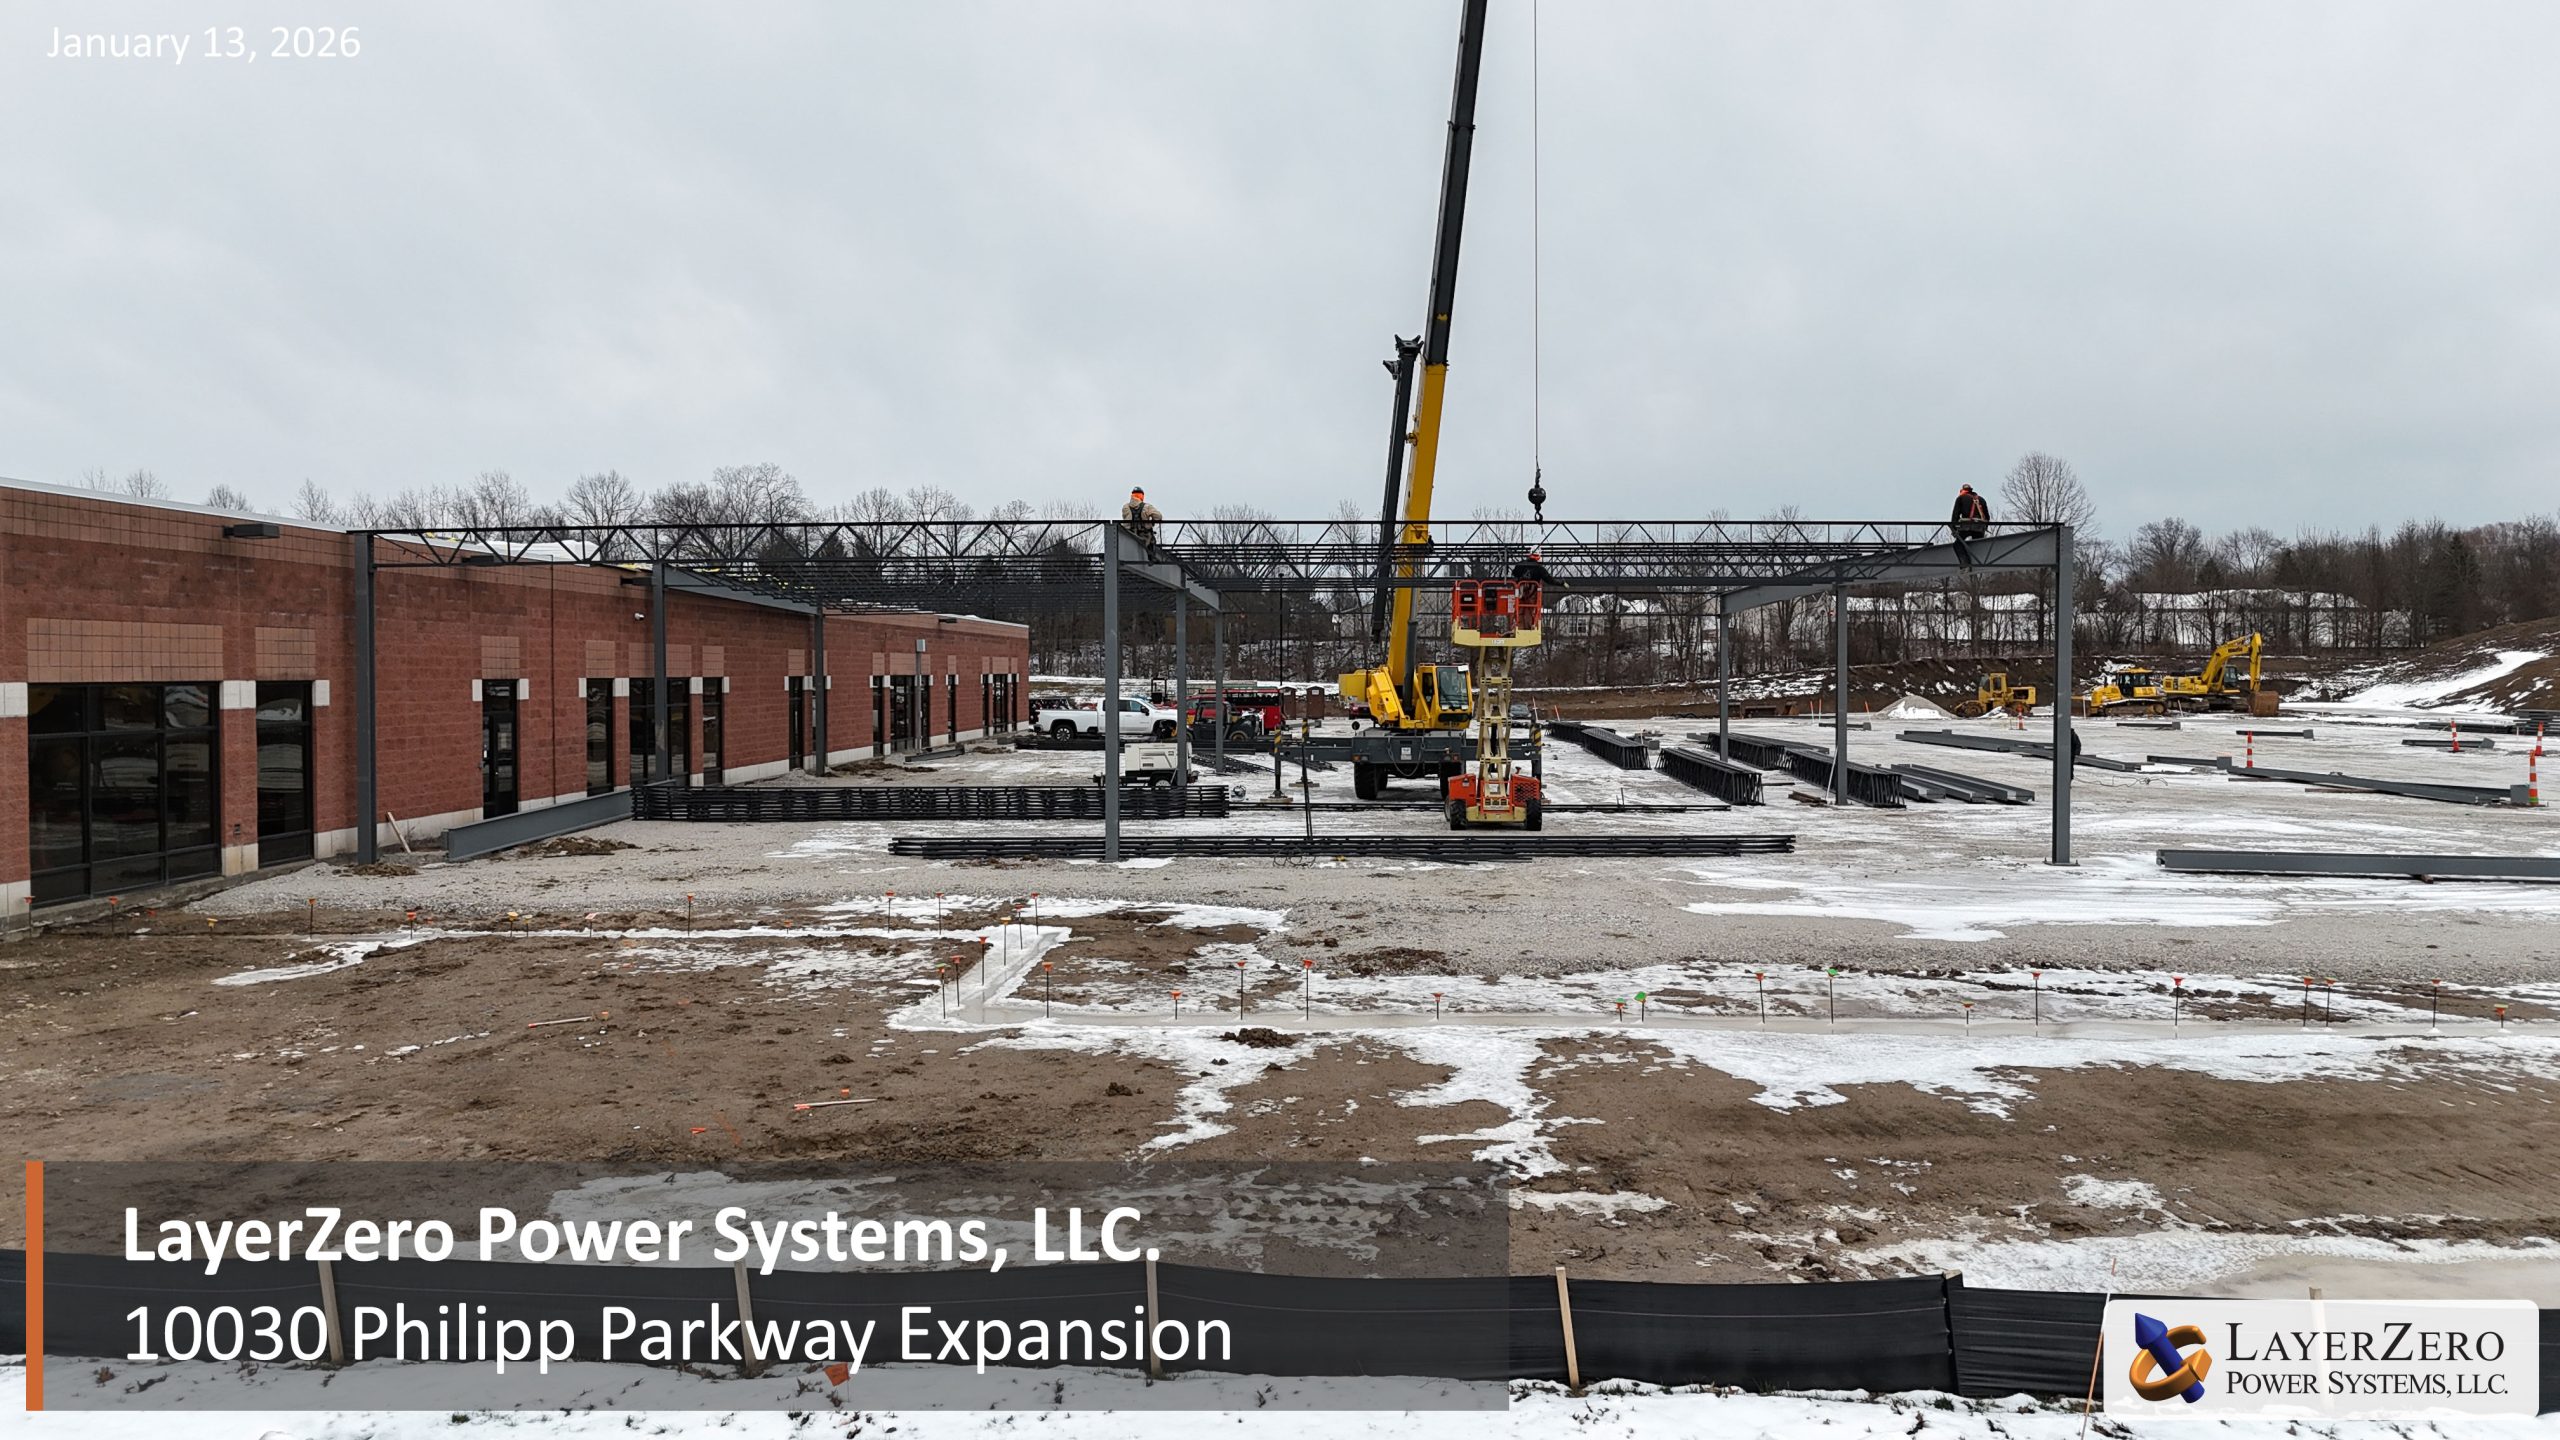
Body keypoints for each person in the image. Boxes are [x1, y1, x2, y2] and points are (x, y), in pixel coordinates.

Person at [1949, 483, 1990, 566]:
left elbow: (1955, 516)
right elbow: (1987, 517)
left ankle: (1965, 564)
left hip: (1966, 527)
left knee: (1958, 545)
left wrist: (1954, 530)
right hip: (1979, 528)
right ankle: (1979, 563)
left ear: (1963, 490)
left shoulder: (1960, 498)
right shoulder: (1981, 499)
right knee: (1977, 545)